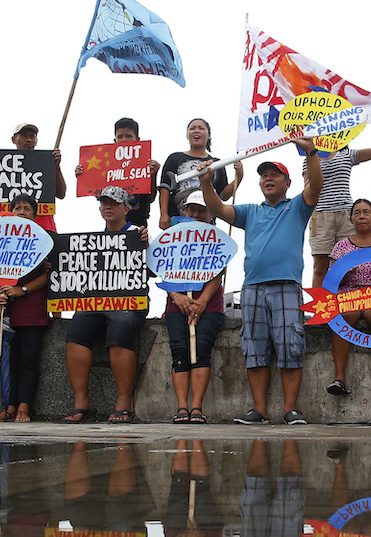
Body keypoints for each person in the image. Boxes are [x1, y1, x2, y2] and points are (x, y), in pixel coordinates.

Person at [199, 137, 322, 425]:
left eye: (274, 174)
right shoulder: (250, 211)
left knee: (291, 346)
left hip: (286, 286)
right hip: (252, 288)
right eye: (264, 175)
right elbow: (217, 209)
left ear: (287, 182)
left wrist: (311, 152)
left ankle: (291, 409)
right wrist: (206, 182)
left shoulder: (298, 206)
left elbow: (315, 185)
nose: (268, 178)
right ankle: (260, 410)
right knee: (254, 349)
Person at [63, 186, 150, 423]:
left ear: (126, 208)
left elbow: (153, 270)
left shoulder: (138, 234)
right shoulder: (93, 240)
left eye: (113, 203)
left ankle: (124, 401)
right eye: (103, 203)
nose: (107, 207)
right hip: (97, 299)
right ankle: (82, 401)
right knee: (75, 334)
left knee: (119, 331)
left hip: (129, 300)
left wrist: (146, 246)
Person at [164, 192, 226, 424]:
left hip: (209, 305)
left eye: (201, 210)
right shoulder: (172, 237)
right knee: (179, 351)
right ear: (184, 211)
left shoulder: (217, 238)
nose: (196, 214)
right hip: (175, 304)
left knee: (201, 349)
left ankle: (197, 407)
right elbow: (162, 267)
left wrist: (202, 301)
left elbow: (219, 272)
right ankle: (181, 407)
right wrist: (177, 296)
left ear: (210, 214)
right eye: (192, 209)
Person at [325, 198, 371, 398]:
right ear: (351, 219)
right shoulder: (341, 247)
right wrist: (345, 272)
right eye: (357, 213)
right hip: (348, 296)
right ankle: (339, 378)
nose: (362, 216)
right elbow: (331, 280)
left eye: (366, 212)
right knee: (344, 316)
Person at [0, 195, 50, 423]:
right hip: (7, 311)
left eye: (27, 208)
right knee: (7, 361)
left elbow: (49, 275)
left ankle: (24, 406)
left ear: (35, 214)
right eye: (17, 208)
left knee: (29, 359)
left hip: (33, 309)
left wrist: (22, 289)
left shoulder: (45, 240)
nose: (21, 212)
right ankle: (9, 406)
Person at [305, 115, 371, 289]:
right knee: (320, 267)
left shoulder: (347, 154)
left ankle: (345, 304)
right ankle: (318, 309)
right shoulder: (311, 156)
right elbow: (307, 188)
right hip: (320, 215)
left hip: (346, 214)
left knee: (348, 264)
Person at [73, 117, 161, 228]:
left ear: (137, 139)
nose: (124, 140)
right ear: (115, 141)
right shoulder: (105, 165)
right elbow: (99, 194)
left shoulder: (145, 164)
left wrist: (153, 175)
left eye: (128, 136)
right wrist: (84, 175)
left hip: (138, 223)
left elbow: (150, 198)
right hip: (112, 224)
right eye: (120, 137)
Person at [158, 118, 242, 229]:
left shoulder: (217, 163)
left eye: (201, 128)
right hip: (177, 220)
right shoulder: (174, 158)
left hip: (206, 222)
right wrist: (163, 214)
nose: (196, 130)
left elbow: (224, 195)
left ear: (209, 135)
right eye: (192, 128)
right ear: (187, 135)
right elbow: (165, 187)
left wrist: (239, 176)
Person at [10, 123, 66, 231]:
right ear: (13, 139)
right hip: (12, 231)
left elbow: (61, 193)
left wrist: (56, 167)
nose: (29, 140)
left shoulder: (45, 163)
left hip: (43, 229)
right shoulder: (2, 164)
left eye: (32, 136)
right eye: (24, 136)